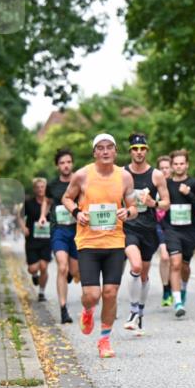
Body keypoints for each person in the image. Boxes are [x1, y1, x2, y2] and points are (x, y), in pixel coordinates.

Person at [61, 133, 138, 358]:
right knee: (93, 295)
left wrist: (128, 212)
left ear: (115, 151)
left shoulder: (125, 177)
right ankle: (87, 310)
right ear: (94, 152)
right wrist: (76, 212)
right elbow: (67, 198)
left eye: (109, 147)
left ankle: (104, 339)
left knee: (110, 292)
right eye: (100, 148)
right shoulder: (82, 175)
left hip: (114, 241)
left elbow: (134, 207)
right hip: (88, 242)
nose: (105, 152)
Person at [122, 132, 170, 335]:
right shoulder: (122, 174)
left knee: (143, 274)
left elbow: (167, 203)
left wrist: (154, 203)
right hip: (130, 227)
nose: (139, 152)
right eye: (135, 149)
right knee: (135, 265)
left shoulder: (156, 175)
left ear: (147, 151)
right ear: (130, 151)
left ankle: (140, 314)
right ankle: (133, 311)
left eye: (142, 149)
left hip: (149, 229)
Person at [162, 149, 195, 317]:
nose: (179, 166)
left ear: (186, 165)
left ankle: (184, 287)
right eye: (176, 164)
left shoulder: (194, 184)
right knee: (175, 263)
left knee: (185, 266)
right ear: (172, 166)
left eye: (182, 163)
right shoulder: (166, 184)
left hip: (189, 232)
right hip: (172, 230)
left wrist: (189, 194)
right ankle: (177, 301)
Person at [42, 148, 82, 324]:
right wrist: (43, 216)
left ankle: (69, 275)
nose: (65, 166)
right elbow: (47, 200)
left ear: (72, 163)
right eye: (62, 163)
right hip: (59, 229)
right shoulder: (52, 185)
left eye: (68, 162)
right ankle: (63, 310)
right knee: (62, 266)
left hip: (77, 230)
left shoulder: (80, 181)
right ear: (57, 166)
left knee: (75, 272)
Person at [18, 178, 52, 301]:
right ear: (34, 189)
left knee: (44, 266)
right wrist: (23, 228)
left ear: (46, 188)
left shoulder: (50, 202)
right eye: (37, 187)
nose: (40, 189)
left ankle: (41, 292)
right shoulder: (29, 202)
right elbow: (20, 217)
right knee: (33, 268)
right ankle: (34, 275)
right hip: (32, 238)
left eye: (42, 187)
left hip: (46, 238)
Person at [154, 155, 174, 306]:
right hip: (158, 225)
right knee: (165, 257)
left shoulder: (177, 185)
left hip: (175, 226)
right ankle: (166, 288)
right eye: (162, 168)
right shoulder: (154, 185)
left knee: (175, 260)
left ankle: (174, 285)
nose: (165, 170)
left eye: (167, 167)